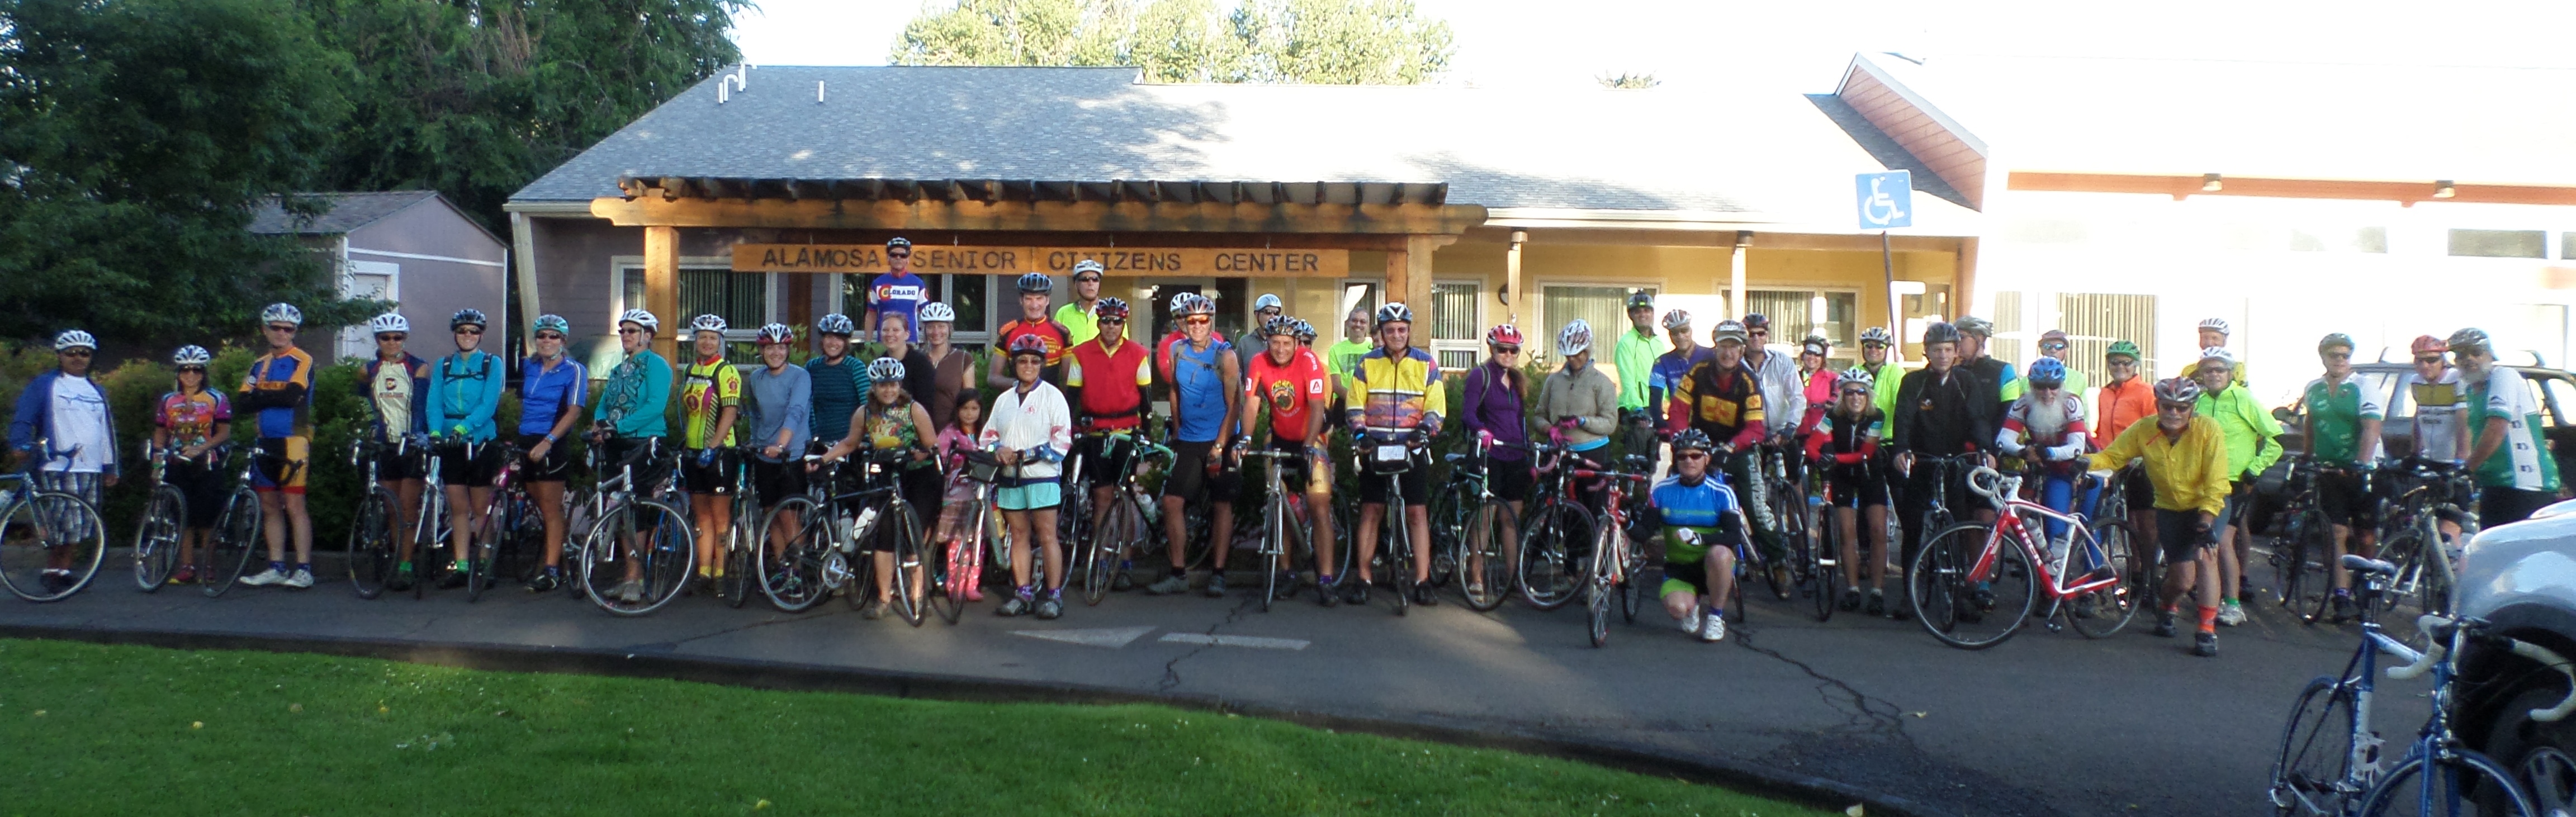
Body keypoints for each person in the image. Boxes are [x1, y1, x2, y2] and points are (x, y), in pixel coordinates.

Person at [2090, 377, 2229, 657]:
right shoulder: (2144, 429)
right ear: (2157, 405)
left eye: (2181, 408)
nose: (2174, 413)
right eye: (2167, 407)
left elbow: (2216, 482)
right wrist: (2080, 461)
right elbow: (2113, 457)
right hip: (2170, 508)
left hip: (2208, 503)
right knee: (2182, 581)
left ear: (2192, 408)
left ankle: (2206, 630)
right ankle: (2167, 606)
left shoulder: (2208, 429)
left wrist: (2206, 521)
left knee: (2206, 557)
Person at [814, 357, 937, 619]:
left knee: (913, 535)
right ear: (874, 387)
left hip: (917, 474)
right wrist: (823, 460)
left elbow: (932, 445)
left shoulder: (914, 409)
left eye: (893, 385)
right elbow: (850, 443)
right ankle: (883, 599)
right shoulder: (865, 412)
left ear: (900, 385)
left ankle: (917, 595)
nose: (888, 390)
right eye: (883, 385)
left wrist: (921, 453)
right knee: (884, 535)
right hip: (886, 472)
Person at [1888, 321, 1993, 616]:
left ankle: (1958, 596)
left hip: (1954, 462)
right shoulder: (1914, 382)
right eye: (1937, 350)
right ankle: (1910, 595)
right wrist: (1901, 450)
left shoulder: (1965, 381)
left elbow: (1978, 418)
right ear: (1927, 352)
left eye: (1948, 350)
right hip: (1922, 461)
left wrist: (1984, 449)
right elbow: (1903, 418)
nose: (1943, 356)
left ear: (1957, 352)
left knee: (1958, 529)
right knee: (1913, 529)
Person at [1344, 302, 1443, 606]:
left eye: (1402, 330)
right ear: (1382, 333)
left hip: (1411, 445)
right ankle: (1363, 578)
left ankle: (1422, 580)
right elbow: (1354, 404)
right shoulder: (1367, 363)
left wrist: (1425, 430)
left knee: (1417, 513)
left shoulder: (1426, 364)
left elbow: (1436, 406)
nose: (1397, 335)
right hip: (1376, 445)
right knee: (1372, 511)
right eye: (1390, 330)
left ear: (1409, 331)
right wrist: (1360, 433)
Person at [1672, 320, 1781, 586]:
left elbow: (1756, 429)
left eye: (1734, 347)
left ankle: (1778, 560)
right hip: (1702, 446)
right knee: (1680, 493)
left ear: (1742, 350)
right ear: (1716, 347)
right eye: (1723, 346)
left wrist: (1730, 448)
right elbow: (1678, 410)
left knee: (1756, 508)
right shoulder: (1698, 372)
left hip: (1738, 448)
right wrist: (1684, 442)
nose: (1728, 353)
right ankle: (1681, 555)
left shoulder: (1749, 381)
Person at [7, 329, 117, 593]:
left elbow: (106, 430)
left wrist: (111, 466)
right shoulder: (46, 385)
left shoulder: (97, 390)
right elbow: (25, 416)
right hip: (58, 464)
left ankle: (63, 571)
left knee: (83, 523)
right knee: (64, 522)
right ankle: (52, 571)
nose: (78, 358)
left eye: (84, 353)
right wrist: (19, 443)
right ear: (60, 355)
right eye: (71, 353)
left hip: (91, 466)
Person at [1237, 315, 1336, 601]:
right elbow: (1252, 404)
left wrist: (1309, 445)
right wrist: (1245, 438)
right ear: (1267, 342)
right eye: (1275, 342)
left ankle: (1326, 580)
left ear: (1296, 343)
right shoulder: (1259, 361)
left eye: (1287, 343)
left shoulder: (1309, 361)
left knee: (1319, 506)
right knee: (1279, 506)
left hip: (1310, 437)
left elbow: (1317, 407)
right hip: (1279, 436)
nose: (1280, 349)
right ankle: (1287, 573)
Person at [1150, 292, 1243, 597]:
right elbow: (1174, 391)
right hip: (1190, 438)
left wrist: (1220, 446)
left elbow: (1234, 405)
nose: (1197, 326)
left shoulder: (1225, 355)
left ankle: (1218, 573)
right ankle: (1179, 573)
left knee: (1221, 504)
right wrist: (1178, 430)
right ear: (1184, 323)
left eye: (1203, 320)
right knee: (1172, 502)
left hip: (1220, 437)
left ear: (1211, 322)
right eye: (1191, 321)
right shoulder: (1176, 350)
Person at [982, 335, 1073, 619]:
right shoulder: (1004, 400)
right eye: (1023, 361)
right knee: (1019, 535)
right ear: (1014, 364)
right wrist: (998, 450)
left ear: (1042, 364)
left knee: (1047, 535)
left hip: (1042, 476)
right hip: (1010, 476)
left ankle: (1054, 594)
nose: (1029, 366)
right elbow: (987, 438)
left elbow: (1062, 442)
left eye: (1035, 361)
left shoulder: (1053, 396)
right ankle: (1023, 592)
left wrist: (1026, 453)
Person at [1063, 296, 1153, 583]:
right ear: (1099, 323)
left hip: (1126, 432)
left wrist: (1148, 434)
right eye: (1106, 321)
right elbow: (1072, 396)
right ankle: (1100, 559)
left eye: (1117, 322)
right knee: (1101, 497)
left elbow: (1146, 400)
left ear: (1123, 324)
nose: (1111, 327)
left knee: (1124, 496)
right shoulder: (1082, 353)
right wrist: (1069, 428)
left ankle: (1125, 562)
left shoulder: (1138, 353)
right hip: (1095, 432)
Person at [2190, 347, 2279, 626]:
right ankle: (2208, 598)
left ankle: (2232, 604)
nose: (2214, 375)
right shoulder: (2199, 401)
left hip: (2234, 481)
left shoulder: (2243, 399)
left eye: (2220, 370)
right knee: (2202, 539)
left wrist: (2255, 469)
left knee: (2223, 541)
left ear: (2230, 373)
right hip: (2203, 480)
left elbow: (2275, 439)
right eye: (2208, 370)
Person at [593, 308, 674, 604]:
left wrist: (619, 426)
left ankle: (635, 578)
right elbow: (605, 402)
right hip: (617, 441)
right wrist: (600, 423)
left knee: (636, 511)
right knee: (620, 508)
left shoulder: (657, 365)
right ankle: (628, 575)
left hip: (644, 441)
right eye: (623, 331)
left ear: (647, 336)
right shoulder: (620, 368)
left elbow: (655, 406)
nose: (625, 336)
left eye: (632, 331)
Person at [235, 304, 317, 588]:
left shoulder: (302, 360)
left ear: (295, 332)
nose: (282, 333)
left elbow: (292, 398)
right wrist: (272, 397)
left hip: (294, 439)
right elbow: (242, 403)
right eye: (276, 328)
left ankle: (304, 569)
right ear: (265, 329)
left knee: (295, 505)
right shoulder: (259, 364)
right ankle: (276, 566)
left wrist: (260, 396)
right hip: (264, 440)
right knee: (269, 505)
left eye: (288, 329)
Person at [2304, 332, 2384, 620]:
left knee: (2365, 536)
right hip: (2330, 469)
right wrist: (2307, 456)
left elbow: (2371, 428)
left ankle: (2365, 584)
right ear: (2323, 357)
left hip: (2365, 470)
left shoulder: (2364, 386)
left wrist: (2361, 463)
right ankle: (2341, 595)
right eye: (2334, 355)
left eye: (2345, 356)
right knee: (2337, 532)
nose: (2340, 360)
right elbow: (2311, 422)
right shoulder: (2313, 388)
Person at [427, 308, 506, 589]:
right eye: (462, 331)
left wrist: (464, 428)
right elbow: (434, 402)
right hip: (450, 442)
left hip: (480, 440)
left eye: (474, 331)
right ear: (455, 334)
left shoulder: (491, 363)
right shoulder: (444, 365)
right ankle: (461, 565)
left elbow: (489, 403)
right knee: (458, 506)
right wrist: (435, 431)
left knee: (481, 507)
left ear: (481, 335)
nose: (468, 335)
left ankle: (484, 563)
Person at [2455, 327, 2563, 526]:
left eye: (2476, 352)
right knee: (2492, 543)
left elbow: (2496, 428)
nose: (2469, 359)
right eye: (2461, 355)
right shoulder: (2470, 389)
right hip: (2494, 483)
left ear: (2490, 354)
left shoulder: (2504, 376)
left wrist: (2467, 469)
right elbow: (2471, 432)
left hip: (2525, 485)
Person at [1805, 368, 1890, 614]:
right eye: (1850, 392)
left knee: (1878, 531)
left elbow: (1866, 453)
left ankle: (1877, 591)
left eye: (1861, 392)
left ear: (1868, 395)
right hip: (1842, 476)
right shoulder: (1833, 415)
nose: (1856, 397)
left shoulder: (1876, 415)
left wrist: (1834, 458)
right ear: (1842, 395)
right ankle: (1853, 589)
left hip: (1870, 474)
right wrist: (1819, 458)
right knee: (1846, 532)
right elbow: (1811, 445)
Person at [356, 312, 431, 591]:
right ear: (377, 340)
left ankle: (406, 566)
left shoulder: (418, 367)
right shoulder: (368, 370)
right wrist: (369, 427)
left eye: (397, 337)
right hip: (384, 444)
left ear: (405, 338)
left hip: (411, 444)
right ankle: (397, 558)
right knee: (391, 508)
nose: (392, 342)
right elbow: (362, 403)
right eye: (385, 338)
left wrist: (418, 435)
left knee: (407, 507)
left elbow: (420, 407)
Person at [1458, 324, 1533, 605]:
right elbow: (1468, 414)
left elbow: (1522, 421)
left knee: (1511, 520)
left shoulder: (1517, 380)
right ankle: (1476, 577)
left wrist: (1530, 455)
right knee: (1485, 518)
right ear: (1492, 348)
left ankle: (1514, 579)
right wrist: (1481, 430)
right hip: (1489, 455)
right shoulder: (1481, 375)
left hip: (1515, 455)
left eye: (1514, 350)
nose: (1508, 355)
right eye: (1502, 349)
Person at [1650, 429, 1747, 643]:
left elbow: (1734, 536)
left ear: (1707, 459)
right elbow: (1644, 531)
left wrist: (1701, 539)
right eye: (1682, 456)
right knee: (1678, 609)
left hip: (1711, 564)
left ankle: (1715, 616)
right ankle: (1692, 603)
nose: (1689, 461)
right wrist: (1624, 524)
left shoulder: (1722, 492)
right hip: (1679, 567)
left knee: (1721, 554)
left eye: (1695, 456)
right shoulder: (1662, 490)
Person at [517, 315, 586, 592]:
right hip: (526, 438)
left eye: (553, 336)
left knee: (550, 506)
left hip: (552, 441)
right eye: (542, 336)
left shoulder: (574, 369)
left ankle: (551, 569)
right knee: (537, 500)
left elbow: (574, 411)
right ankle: (558, 550)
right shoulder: (529, 366)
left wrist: (549, 441)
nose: (547, 341)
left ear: (563, 341)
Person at [151, 346, 231, 586]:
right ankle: (187, 568)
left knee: (207, 518)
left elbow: (224, 433)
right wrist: (157, 464)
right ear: (178, 373)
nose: (191, 375)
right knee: (182, 517)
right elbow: (160, 433)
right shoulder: (168, 400)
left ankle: (207, 567)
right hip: (177, 463)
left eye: (197, 370)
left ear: (204, 373)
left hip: (207, 463)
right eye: (185, 370)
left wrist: (201, 448)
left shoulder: (217, 398)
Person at [678, 314, 744, 591]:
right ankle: (703, 571)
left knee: (721, 517)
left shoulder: (726, 371)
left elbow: (730, 412)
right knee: (701, 515)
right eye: (702, 337)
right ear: (695, 341)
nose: (707, 342)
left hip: (720, 451)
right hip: (693, 451)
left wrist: (713, 446)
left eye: (713, 338)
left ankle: (721, 573)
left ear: (720, 342)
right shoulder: (690, 370)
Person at [1996, 357, 2091, 544]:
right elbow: (2003, 439)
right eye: (2040, 387)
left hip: (2077, 466)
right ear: (2032, 386)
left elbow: (2077, 448)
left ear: (2062, 385)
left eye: (2054, 386)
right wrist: (2024, 451)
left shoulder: (2071, 403)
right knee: (2030, 520)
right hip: (2043, 466)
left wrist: (2047, 453)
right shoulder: (2024, 403)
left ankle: (2094, 563)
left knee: (2081, 528)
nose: (2047, 393)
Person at [743, 324, 811, 582]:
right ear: (762, 350)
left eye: (781, 348)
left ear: (788, 350)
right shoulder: (756, 379)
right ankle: (783, 569)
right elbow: (754, 414)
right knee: (771, 515)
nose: (776, 353)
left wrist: (781, 446)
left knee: (789, 516)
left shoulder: (800, 376)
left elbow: (796, 412)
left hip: (789, 455)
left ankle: (798, 570)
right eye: (770, 348)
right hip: (764, 453)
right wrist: (754, 441)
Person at [1541, 320, 1620, 520]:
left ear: (1588, 351)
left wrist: (1583, 422)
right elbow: (1539, 415)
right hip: (1559, 453)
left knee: (1593, 512)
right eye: (1569, 356)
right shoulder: (1553, 380)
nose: (1573, 359)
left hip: (1592, 453)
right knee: (1560, 513)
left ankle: (1593, 540)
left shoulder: (1601, 383)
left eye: (1578, 354)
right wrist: (1550, 429)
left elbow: (1610, 423)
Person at [932, 392, 989, 602]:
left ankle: (972, 584)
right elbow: (941, 459)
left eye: (974, 409)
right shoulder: (950, 434)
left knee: (977, 542)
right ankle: (954, 583)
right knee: (956, 542)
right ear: (957, 411)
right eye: (965, 408)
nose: (969, 413)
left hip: (981, 495)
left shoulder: (986, 434)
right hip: (957, 495)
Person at [1645, 310, 1715, 481]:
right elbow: (1655, 397)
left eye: (1684, 330)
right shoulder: (1663, 362)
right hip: (1680, 425)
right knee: (1681, 474)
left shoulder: (1710, 356)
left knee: (1714, 474)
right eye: (1675, 333)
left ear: (1691, 330)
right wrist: (1660, 424)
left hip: (1708, 423)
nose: (1680, 336)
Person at [1613, 291, 1668, 460]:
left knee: (1652, 461)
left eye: (1647, 311)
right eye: (1638, 311)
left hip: (1656, 408)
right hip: (1637, 410)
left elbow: (1664, 375)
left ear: (1653, 313)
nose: (1643, 315)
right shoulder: (1626, 343)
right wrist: (1636, 409)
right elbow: (1627, 379)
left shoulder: (1658, 342)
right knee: (1638, 462)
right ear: (1631, 315)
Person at [992, 273, 1072, 387]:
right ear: (1021, 301)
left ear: (1047, 301)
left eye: (1039, 299)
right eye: (1029, 299)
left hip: (1050, 398)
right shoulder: (1007, 332)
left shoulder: (1062, 333)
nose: (1034, 305)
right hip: (1018, 396)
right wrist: (1020, 385)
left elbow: (1067, 381)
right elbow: (993, 377)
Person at [806, 313, 871, 454]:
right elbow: (807, 405)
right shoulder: (812, 367)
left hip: (851, 443)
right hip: (820, 442)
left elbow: (868, 405)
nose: (833, 343)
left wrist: (863, 437)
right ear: (822, 340)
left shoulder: (855, 367)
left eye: (839, 338)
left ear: (846, 342)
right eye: (829, 337)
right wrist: (812, 435)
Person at [2402, 335, 2471, 466]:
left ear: (2443, 361)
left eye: (2431, 360)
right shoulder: (2416, 382)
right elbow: (2418, 417)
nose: (2425, 366)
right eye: (2419, 361)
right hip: (2429, 458)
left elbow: (2464, 422)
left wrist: (2461, 458)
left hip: (2453, 459)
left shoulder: (2457, 379)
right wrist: (2415, 452)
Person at [1953, 315, 2020, 434]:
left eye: (1961, 338)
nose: (1957, 344)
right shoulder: (1953, 372)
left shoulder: (2004, 370)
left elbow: (2010, 411)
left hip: (1991, 440)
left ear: (1980, 338)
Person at [861, 308, 937, 414]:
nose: (890, 334)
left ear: (907, 335)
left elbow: (927, 404)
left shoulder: (921, 363)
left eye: (895, 330)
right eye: (885, 330)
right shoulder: (879, 364)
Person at [916, 302, 977, 431]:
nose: (936, 332)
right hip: (918, 428)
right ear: (924, 330)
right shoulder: (916, 358)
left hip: (952, 430)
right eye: (931, 327)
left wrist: (967, 433)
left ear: (950, 329)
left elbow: (969, 400)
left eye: (941, 326)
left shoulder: (963, 358)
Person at [863, 236, 926, 336]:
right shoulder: (877, 284)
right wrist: (867, 342)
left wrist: (927, 341)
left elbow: (926, 315)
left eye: (903, 255)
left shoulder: (918, 284)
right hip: (885, 340)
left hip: (910, 340)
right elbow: (871, 314)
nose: (898, 258)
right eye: (894, 255)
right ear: (888, 258)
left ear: (908, 259)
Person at [2035, 330, 2090, 415]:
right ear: (2041, 349)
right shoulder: (2027, 379)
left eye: (2059, 346)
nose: (2053, 350)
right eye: (2047, 346)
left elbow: (2084, 414)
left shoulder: (2078, 378)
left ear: (2066, 350)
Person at [1857, 326, 1904, 421]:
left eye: (1880, 346)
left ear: (1887, 350)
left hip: (1888, 431)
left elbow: (1902, 405)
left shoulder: (1895, 371)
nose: (1873, 350)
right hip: (1860, 429)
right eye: (1869, 346)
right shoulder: (1855, 371)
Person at [1055, 260, 1107, 346]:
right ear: (1076, 284)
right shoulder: (1063, 313)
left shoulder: (1111, 313)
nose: (1090, 283)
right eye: (1085, 279)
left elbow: (1122, 348)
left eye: (1095, 279)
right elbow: (1056, 345)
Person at [1239, 292, 1286, 373]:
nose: (1273, 317)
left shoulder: (1284, 342)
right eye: (1268, 312)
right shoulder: (1245, 343)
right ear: (1257, 314)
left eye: (1276, 313)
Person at [1797, 335, 1835, 434]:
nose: (1812, 357)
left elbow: (1839, 399)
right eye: (1809, 353)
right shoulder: (1794, 377)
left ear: (1823, 359)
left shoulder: (1832, 378)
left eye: (1817, 354)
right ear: (1803, 355)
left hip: (1823, 435)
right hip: (1797, 434)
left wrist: (1829, 404)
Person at [2199, 317, 2250, 388]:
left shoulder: (2237, 368)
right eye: (2205, 338)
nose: (2209, 343)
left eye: (2215, 338)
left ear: (2225, 340)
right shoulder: (2189, 371)